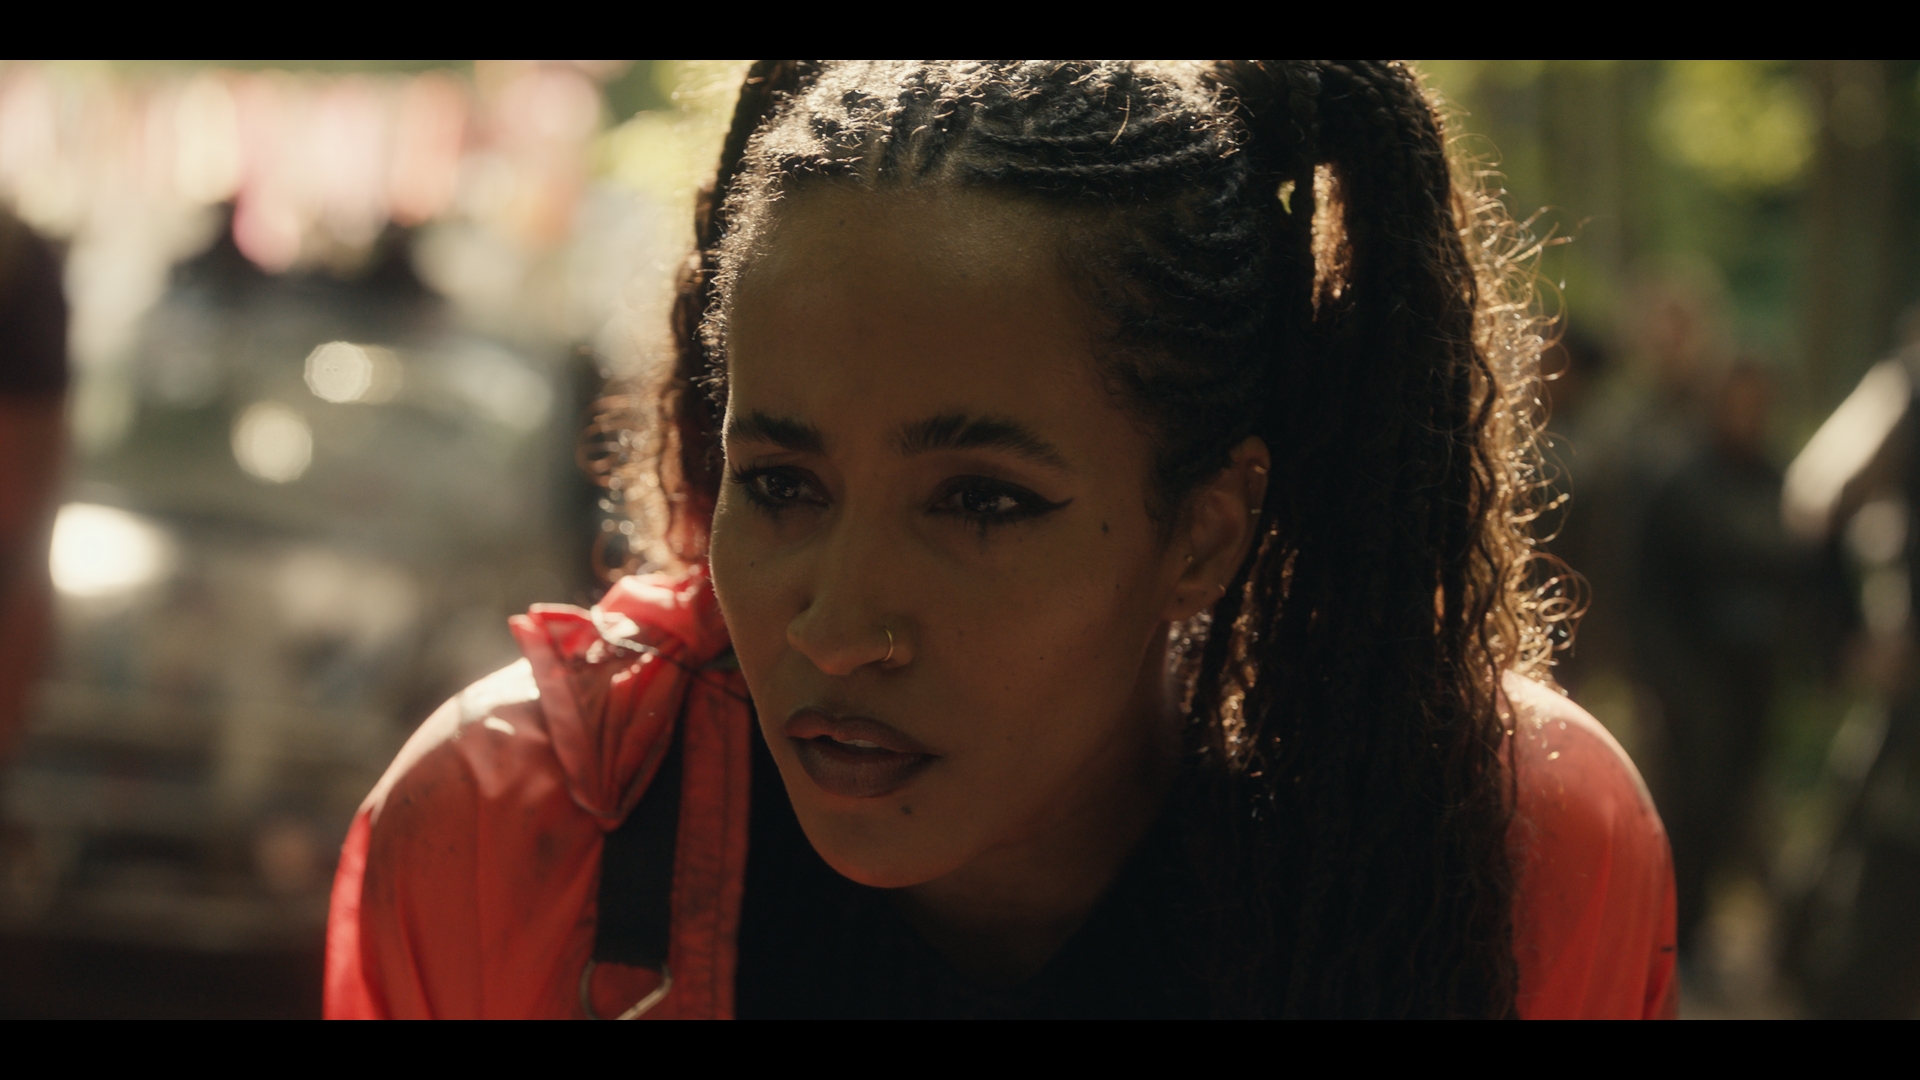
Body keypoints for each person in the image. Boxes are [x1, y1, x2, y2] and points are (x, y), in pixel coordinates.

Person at [325, 60, 1675, 1019]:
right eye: (783, 482)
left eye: (981, 501)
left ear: (1205, 531)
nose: (835, 629)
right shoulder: (508, 844)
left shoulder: (1507, 860)